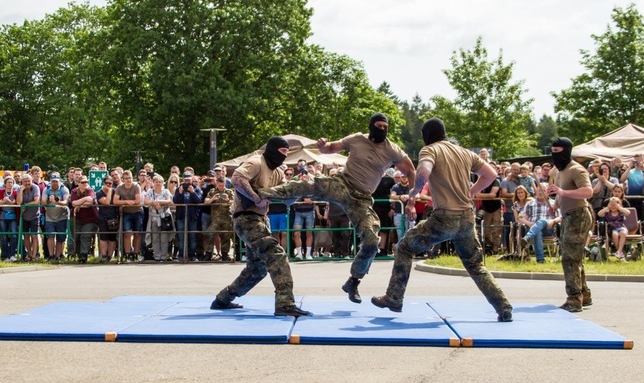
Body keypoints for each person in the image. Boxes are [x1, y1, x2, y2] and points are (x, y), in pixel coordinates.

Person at [258, 113, 416, 304]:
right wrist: (324, 146)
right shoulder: (357, 139)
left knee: (372, 241)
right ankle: (265, 193)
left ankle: (354, 281)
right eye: (378, 126)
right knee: (310, 185)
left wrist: (412, 201)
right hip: (343, 183)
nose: (382, 129)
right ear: (371, 126)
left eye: (385, 126)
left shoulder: (392, 149)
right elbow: (331, 148)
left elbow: (411, 170)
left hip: (362, 198)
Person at [371, 118, 513, 322]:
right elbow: (490, 174)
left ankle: (394, 297)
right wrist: (471, 191)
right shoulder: (464, 152)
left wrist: (414, 192)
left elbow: (425, 170)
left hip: (444, 217)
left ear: (427, 135)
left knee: (404, 248)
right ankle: (503, 307)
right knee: (475, 265)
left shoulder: (430, 150)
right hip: (466, 218)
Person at [210, 136, 309, 317]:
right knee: (276, 255)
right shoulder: (256, 161)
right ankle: (285, 304)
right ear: (272, 149)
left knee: (257, 269)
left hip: (261, 219)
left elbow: (287, 199)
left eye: (287, 153)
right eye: (281, 152)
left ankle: (223, 299)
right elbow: (237, 179)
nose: (284, 156)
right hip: (246, 218)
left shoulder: (278, 172)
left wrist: (302, 189)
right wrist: (256, 198)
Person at [549, 137, 594, 313]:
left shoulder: (576, 169)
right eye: (552, 152)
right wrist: (556, 203)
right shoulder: (560, 171)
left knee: (570, 258)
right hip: (568, 215)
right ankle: (584, 294)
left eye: (557, 152)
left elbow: (588, 191)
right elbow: (561, 192)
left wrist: (561, 191)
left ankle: (574, 299)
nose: (554, 156)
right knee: (575, 257)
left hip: (579, 215)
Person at [519, 182, 561, 263]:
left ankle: (527, 237)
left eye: (543, 190)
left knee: (542, 221)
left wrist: (553, 221)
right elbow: (521, 217)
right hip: (532, 228)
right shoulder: (530, 203)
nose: (540, 192)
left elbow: (561, 217)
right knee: (537, 231)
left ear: (548, 192)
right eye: (539, 190)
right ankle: (540, 260)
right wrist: (529, 223)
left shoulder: (553, 203)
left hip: (549, 229)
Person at [114, 170, 144, 262]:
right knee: (127, 233)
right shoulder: (119, 188)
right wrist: (126, 202)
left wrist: (127, 203)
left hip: (138, 211)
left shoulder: (136, 186)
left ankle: (136, 253)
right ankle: (127, 254)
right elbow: (115, 201)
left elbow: (137, 200)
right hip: (127, 213)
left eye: (130, 178)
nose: (128, 180)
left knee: (137, 233)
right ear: (123, 179)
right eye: (126, 178)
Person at [204, 175, 235, 261]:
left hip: (226, 218)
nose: (221, 187)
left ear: (225, 184)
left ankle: (225, 254)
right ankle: (208, 253)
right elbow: (206, 201)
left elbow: (234, 202)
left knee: (226, 236)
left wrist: (227, 200)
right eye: (219, 185)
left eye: (222, 185)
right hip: (215, 219)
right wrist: (212, 199)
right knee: (210, 234)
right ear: (216, 184)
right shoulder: (213, 191)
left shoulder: (229, 192)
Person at [144, 174, 173, 262]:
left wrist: (158, 202)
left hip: (164, 218)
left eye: (160, 182)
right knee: (155, 238)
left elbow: (168, 201)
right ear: (153, 183)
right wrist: (154, 203)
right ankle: (157, 256)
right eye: (156, 182)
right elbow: (146, 201)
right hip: (154, 218)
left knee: (164, 238)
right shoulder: (149, 191)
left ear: (162, 183)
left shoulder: (166, 191)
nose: (158, 183)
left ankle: (163, 257)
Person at [70, 175, 99, 263]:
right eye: (82, 182)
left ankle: (84, 255)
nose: (84, 184)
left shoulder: (90, 190)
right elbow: (74, 203)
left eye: (86, 182)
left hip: (90, 218)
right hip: (77, 218)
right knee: (77, 236)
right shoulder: (74, 191)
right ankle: (78, 254)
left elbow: (90, 201)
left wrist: (80, 204)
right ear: (78, 183)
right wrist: (83, 200)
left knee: (85, 235)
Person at [42, 173, 70, 261]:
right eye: (53, 181)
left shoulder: (64, 189)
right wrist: (48, 200)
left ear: (59, 181)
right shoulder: (46, 189)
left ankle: (57, 256)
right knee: (50, 236)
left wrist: (57, 202)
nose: (55, 183)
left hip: (61, 217)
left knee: (60, 237)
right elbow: (43, 202)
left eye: (56, 181)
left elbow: (66, 202)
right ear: (50, 181)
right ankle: (51, 255)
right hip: (49, 217)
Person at [96, 176, 119, 262]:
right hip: (103, 217)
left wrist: (111, 191)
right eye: (107, 183)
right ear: (103, 183)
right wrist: (109, 191)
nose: (108, 185)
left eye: (110, 183)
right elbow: (107, 202)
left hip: (113, 217)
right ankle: (104, 255)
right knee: (103, 237)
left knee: (112, 238)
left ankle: (110, 256)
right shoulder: (99, 193)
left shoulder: (116, 192)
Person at [0, 177, 19, 261]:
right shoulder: (1, 192)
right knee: (3, 236)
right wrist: (3, 201)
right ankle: (4, 255)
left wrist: (12, 203)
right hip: (2, 216)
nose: (10, 184)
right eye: (8, 182)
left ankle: (12, 255)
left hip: (13, 216)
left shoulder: (15, 192)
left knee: (14, 235)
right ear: (5, 184)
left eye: (11, 182)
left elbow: (17, 202)